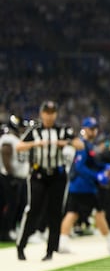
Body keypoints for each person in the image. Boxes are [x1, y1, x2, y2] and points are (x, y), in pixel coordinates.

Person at [17, 101, 79, 261]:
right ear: (42, 113)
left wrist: (65, 142)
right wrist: (35, 144)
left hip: (58, 175)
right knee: (33, 209)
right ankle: (21, 245)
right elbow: (19, 146)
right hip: (38, 173)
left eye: (52, 112)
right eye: (47, 112)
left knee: (55, 212)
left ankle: (51, 250)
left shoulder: (63, 130)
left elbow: (80, 144)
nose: (49, 115)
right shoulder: (35, 131)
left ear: (56, 114)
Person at [57, 117, 110, 257]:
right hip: (82, 186)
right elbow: (80, 167)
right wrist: (96, 176)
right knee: (97, 212)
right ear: (85, 129)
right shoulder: (82, 145)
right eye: (91, 129)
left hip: (82, 186)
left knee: (73, 213)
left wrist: (105, 167)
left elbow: (93, 163)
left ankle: (62, 243)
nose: (94, 131)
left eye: (95, 129)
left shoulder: (89, 145)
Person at [1, 115, 31, 242]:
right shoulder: (9, 139)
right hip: (8, 178)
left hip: (17, 178)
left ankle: (12, 229)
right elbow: (5, 154)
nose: (23, 130)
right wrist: (10, 175)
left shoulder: (17, 139)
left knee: (18, 205)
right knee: (10, 205)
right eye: (21, 127)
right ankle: (5, 231)